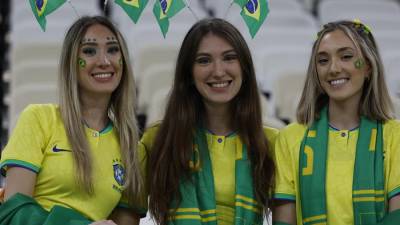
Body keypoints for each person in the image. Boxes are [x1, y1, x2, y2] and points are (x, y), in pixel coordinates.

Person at [0, 16, 141, 225]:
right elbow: (12, 212)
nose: (104, 61)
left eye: (113, 49)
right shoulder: (38, 118)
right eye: (89, 51)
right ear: (71, 62)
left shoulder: (131, 146)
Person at [137, 18, 277, 225]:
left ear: (245, 68)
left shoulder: (271, 142)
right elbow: (125, 213)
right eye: (204, 60)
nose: (218, 71)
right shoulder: (158, 139)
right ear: (188, 73)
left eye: (229, 58)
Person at [273, 20, 400, 225]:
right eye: (323, 61)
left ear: (367, 65)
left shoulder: (396, 136)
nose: (333, 68)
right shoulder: (289, 138)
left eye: (346, 57)